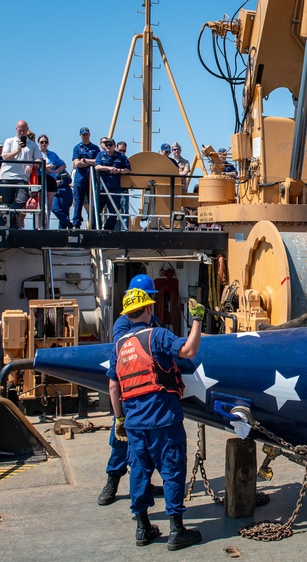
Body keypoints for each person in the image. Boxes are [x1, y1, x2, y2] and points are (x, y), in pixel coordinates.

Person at [107, 288, 205, 550]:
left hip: (134, 425)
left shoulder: (119, 346)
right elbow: (188, 351)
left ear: (127, 314)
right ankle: (177, 530)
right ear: (149, 309)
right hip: (164, 420)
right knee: (172, 472)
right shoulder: (157, 335)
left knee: (139, 473)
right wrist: (197, 320)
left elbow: (114, 387)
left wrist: (119, 420)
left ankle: (142, 528)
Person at [98, 274, 162, 507]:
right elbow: (126, 348)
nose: (152, 305)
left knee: (146, 444)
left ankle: (144, 483)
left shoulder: (154, 322)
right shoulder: (123, 324)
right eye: (150, 299)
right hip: (128, 392)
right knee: (120, 440)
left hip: (147, 390)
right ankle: (112, 480)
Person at [0, 120, 43, 229]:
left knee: (22, 199)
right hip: (7, 176)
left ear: (27, 130)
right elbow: (5, 157)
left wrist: (32, 164)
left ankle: (7, 215)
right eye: (20, 130)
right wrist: (17, 150)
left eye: (24, 130)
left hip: (22, 177)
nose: (22, 133)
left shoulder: (32, 145)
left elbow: (39, 159)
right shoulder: (9, 141)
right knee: (7, 202)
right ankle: (12, 227)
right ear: (16, 129)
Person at [95, 138, 131, 230]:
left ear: (114, 146)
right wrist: (109, 168)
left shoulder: (121, 157)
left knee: (114, 211)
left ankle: (108, 228)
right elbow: (97, 167)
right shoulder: (100, 155)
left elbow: (128, 169)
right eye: (106, 145)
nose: (108, 147)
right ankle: (94, 228)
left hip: (114, 187)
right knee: (95, 210)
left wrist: (118, 170)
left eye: (110, 145)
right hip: (101, 188)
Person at [37, 135, 71, 229]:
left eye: (45, 142)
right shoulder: (36, 154)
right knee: (40, 206)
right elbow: (34, 164)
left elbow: (63, 165)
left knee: (49, 205)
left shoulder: (52, 154)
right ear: (38, 143)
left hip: (50, 179)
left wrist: (55, 171)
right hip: (39, 178)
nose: (44, 144)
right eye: (41, 142)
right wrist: (44, 167)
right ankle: (39, 226)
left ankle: (46, 226)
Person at [71, 127, 100, 229]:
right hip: (80, 179)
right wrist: (90, 162)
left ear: (89, 134)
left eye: (86, 134)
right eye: (83, 135)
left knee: (93, 203)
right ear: (80, 136)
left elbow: (98, 162)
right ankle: (76, 224)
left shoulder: (95, 148)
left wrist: (84, 160)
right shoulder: (77, 148)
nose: (85, 136)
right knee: (78, 201)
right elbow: (77, 164)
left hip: (92, 179)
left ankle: (93, 224)